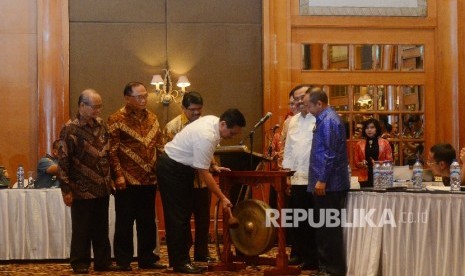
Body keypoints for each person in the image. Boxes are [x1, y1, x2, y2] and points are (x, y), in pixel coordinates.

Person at [157, 108, 245, 274]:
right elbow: (203, 173)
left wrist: (213, 165)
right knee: (178, 217)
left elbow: (203, 155)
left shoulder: (213, 119)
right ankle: (180, 263)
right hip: (172, 169)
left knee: (182, 215)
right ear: (224, 123)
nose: (231, 137)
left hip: (182, 169)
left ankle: (182, 260)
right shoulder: (207, 135)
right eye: (232, 133)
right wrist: (223, 198)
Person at [57, 89, 118, 274]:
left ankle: (103, 262)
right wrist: (66, 189)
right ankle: (80, 262)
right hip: (80, 187)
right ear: (82, 106)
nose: (98, 110)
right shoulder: (70, 129)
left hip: (102, 186)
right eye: (94, 107)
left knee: (101, 226)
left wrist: (112, 178)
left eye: (100, 106)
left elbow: (108, 152)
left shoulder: (101, 124)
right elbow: (63, 160)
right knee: (82, 228)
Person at [107, 81, 166, 271]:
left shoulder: (153, 118)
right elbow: (112, 151)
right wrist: (118, 176)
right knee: (124, 222)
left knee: (147, 221)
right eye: (139, 97)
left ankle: (147, 258)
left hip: (149, 179)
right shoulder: (116, 119)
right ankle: (123, 261)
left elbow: (160, 145)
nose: (143, 100)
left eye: (145, 96)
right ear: (127, 98)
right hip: (127, 180)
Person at [163, 91, 215, 262]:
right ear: (183, 107)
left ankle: (202, 253)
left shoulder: (205, 124)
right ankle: (183, 254)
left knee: (203, 219)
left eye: (199, 109)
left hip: (202, 182)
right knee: (182, 220)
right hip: (181, 181)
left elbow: (208, 150)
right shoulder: (173, 126)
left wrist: (213, 164)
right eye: (192, 109)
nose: (196, 113)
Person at [305, 87, 349, 276]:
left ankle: (333, 270)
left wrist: (322, 180)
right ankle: (325, 268)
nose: (306, 109)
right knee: (322, 228)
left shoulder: (329, 121)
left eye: (308, 105)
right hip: (322, 184)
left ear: (319, 104)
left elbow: (330, 154)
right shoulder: (322, 120)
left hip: (329, 185)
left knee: (329, 230)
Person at [281, 86, 318, 272]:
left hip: (314, 179)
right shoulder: (292, 121)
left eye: (302, 97)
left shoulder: (318, 119)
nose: (299, 101)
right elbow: (288, 150)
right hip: (296, 178)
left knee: (315, 220)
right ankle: (303, 255)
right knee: (298, 220)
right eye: (296, 98)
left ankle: (315, 258)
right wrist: (286, 175)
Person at [354, 118, 393, 187]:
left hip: (381, 176)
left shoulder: (385, 143)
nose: (369, 130)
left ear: (376, 129)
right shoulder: (359, 144)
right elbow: (356, 162)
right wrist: (361, 163)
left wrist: (377, 164)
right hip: (364, 178)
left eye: (372, 127)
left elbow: (389, 162)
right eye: (367, 128)